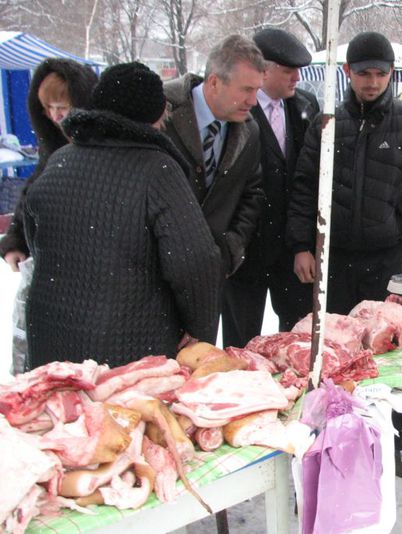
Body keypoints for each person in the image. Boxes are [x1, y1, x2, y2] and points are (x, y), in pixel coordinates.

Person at [22, 62, 221, 369]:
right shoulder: (158, 169)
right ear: (156, 115)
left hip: (54, 346)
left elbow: (36, 240)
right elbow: (196, 261)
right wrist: (200, 333)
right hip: (129, 350)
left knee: (70, 417)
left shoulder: (59, 161)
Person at [287, 31, 402, 316]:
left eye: (381, 73)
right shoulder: (326, 123)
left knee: (386, 346)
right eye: (364, 73)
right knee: (337, 345)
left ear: (392, 72)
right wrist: (302, 245)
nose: (373, 82)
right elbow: (305, 186)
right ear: (348, 71)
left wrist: (398, 222)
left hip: (389, 262)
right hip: (334, 262)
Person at [220, 29, 318, 344]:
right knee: (241, 340)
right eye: (288, 71)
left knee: (297, 337)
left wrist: (303, 242)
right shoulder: (233, 109)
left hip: (292, 249)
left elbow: (310, 176)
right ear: (264, 70)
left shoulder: (306, 106)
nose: (296, 78)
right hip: (245, 249)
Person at [162, 34, 265, 286]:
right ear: (214, 82)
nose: (253, 101)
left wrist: (230, 249)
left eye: (257, 90)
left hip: (209, 275)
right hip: (155, 275)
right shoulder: (161, 113)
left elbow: (252, 194)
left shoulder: (249, 131)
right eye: (246, 90)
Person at [0, 58, 97, 272]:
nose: (55, 116)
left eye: (62, 107)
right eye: (48, 108)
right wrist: (16, 239)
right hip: (62, 260)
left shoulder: (103, 144)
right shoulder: (54, 143)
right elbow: (34, 191)